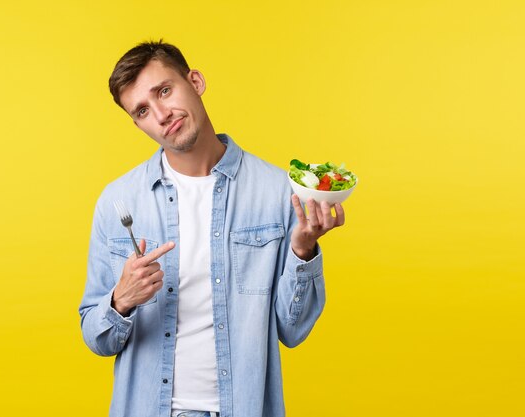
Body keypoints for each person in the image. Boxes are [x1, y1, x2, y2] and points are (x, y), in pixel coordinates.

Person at [79, 40, 345, 417]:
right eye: (142, 110)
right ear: (136, 123)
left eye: (164, 91)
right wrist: (121, 301)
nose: (161, 114)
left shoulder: (276, 192)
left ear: (196, 81)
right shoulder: (119, 202)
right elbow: (96, 336)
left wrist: (303, 250)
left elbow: (293, 330)